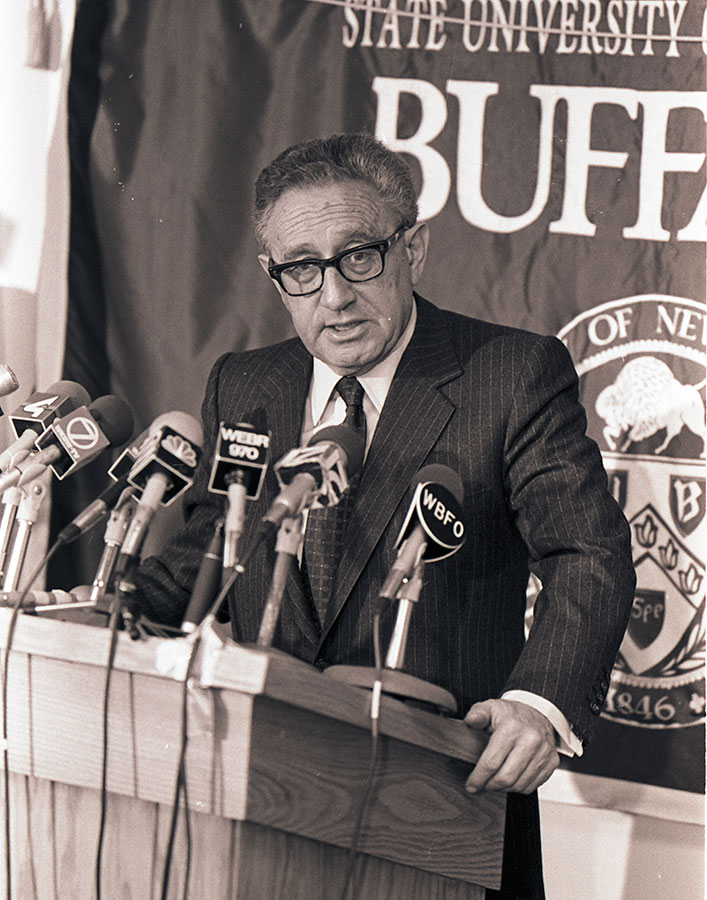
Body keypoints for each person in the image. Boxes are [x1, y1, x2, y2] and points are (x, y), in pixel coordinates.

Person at [134, 133, 636, 899]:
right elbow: (211, 546)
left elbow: (585, 555)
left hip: (443, 801)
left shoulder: (509, 374)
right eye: (302, 269)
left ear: (413, 249)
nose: (333, 295)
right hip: (258, 799)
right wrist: (102, 611)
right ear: (275, 279)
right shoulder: (246, 383)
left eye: (358, 256)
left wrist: (538, 705)